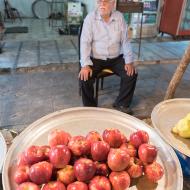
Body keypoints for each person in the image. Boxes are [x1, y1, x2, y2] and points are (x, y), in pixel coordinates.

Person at [79, 0, 137, 114]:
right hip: (96, 58)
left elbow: (125, 41)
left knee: (131, 73)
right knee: (84, 77)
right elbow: (85, 42)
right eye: (99, 1)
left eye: (105, 1)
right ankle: (89, 107)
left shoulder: (119, 17)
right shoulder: (90, 18)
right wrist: (85, 65)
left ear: (113, 3)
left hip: (115, 58)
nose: (102, 4)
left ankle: (122, 103)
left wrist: (129, 61)